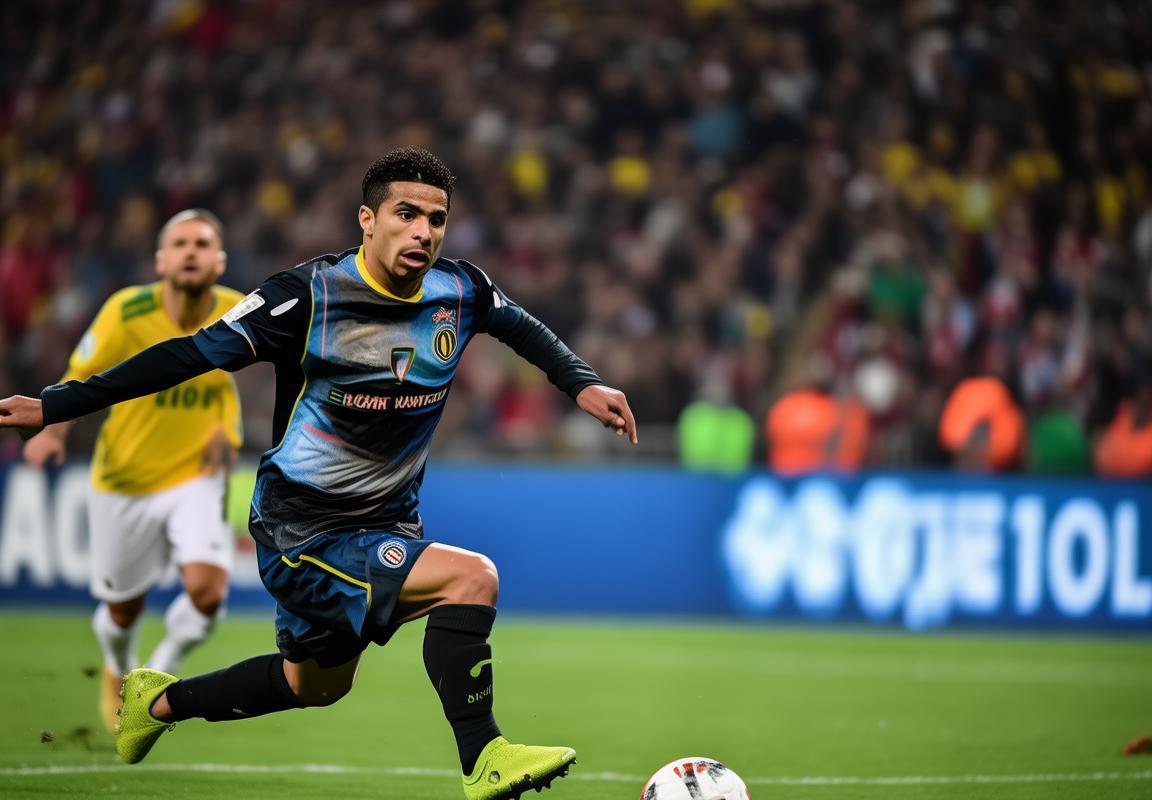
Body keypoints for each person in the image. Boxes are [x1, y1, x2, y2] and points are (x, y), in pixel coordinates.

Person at [0, 148, 637, 800]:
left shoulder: (460, 290)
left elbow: (521, 327)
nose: (423, 231)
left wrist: (582, 383)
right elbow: (189, 355)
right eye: (406, 214)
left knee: (316, 685)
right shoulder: (306, 296)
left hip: (386, 522)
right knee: (471, 579)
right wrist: (56, 405)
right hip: (302, 531)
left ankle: (157, 705)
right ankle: (485, 758)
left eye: (436, 219)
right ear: (368, 219)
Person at [21, 209, 243, 734]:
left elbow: (263, 375)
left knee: (208, 593)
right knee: (123, 610)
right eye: (181, 244)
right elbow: (80, 377)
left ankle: (150, 681)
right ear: (161, 260)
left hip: (195, 474)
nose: (191, 252)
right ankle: (119, 668)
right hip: (125, 479)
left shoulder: (238, 310)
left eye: (202, 244)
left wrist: (228, 429)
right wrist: (52, 433)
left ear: (220, 261)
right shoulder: (126, 310)